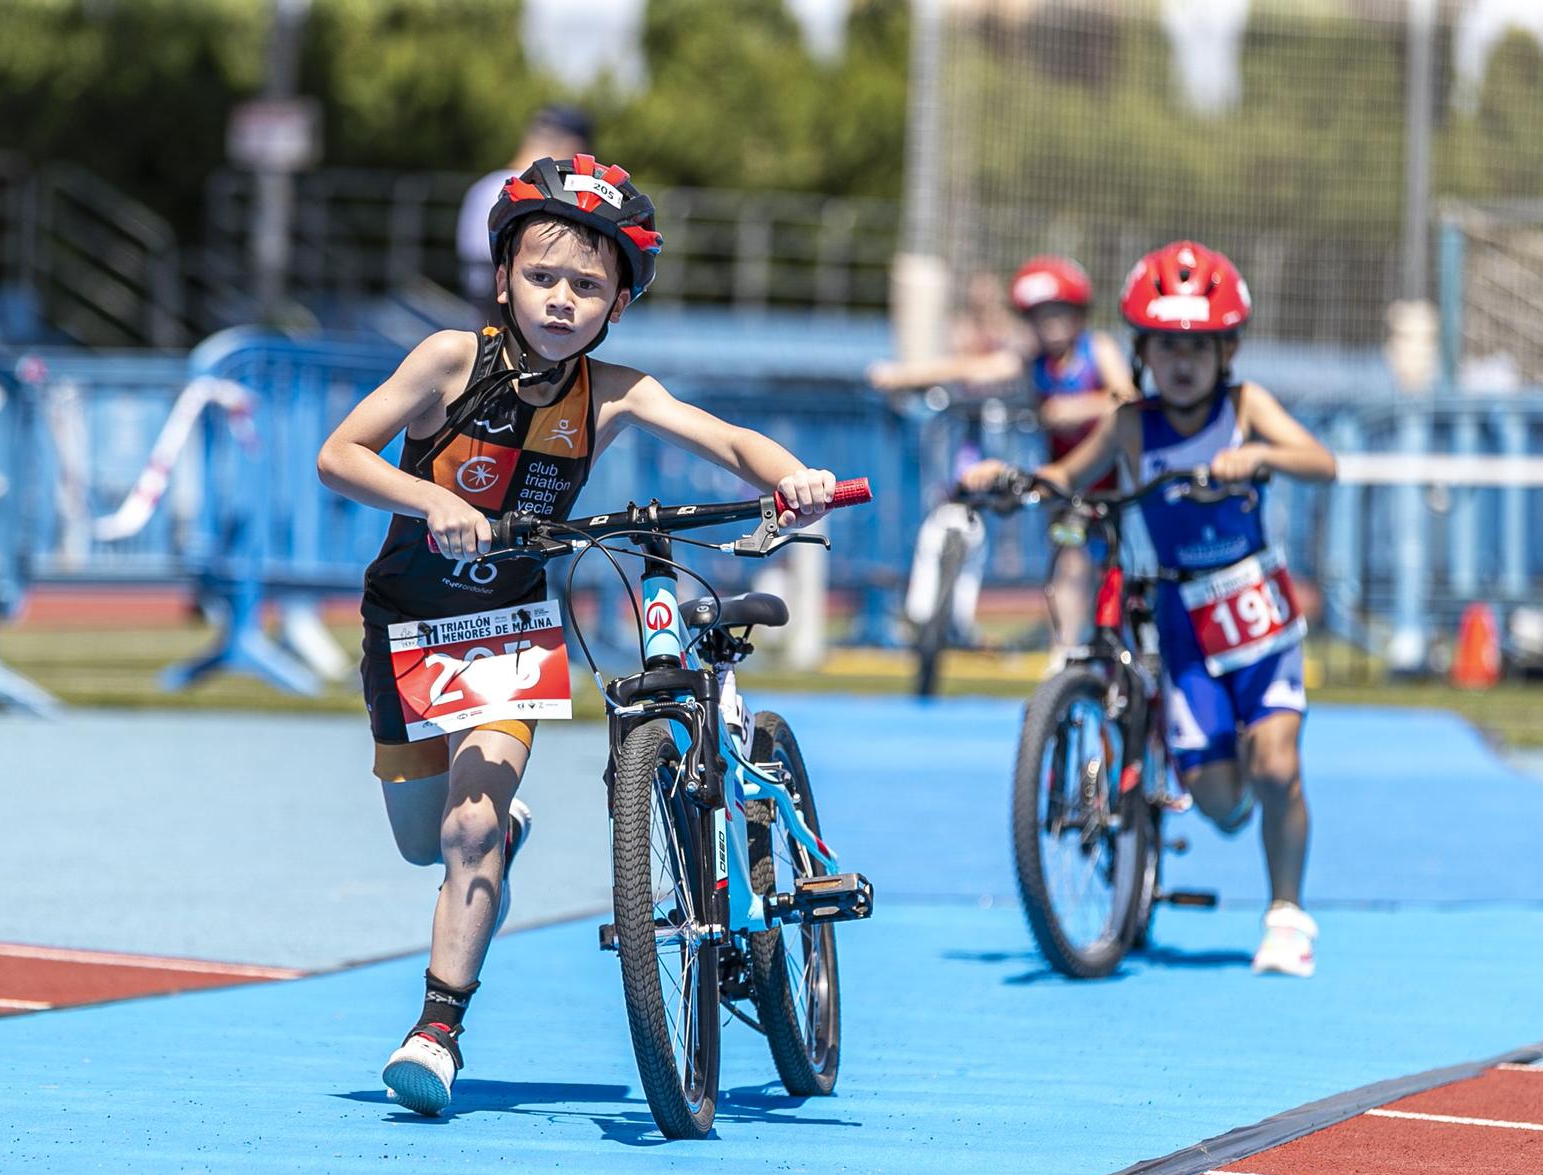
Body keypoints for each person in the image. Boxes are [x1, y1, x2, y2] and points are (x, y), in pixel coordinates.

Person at [318, 157, 840, 1116]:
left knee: (467, 825)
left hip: (509, 628)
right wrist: (432, 496)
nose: (563, 299)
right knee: (422, 842)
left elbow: (721, 438)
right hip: (408, 621)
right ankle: (493, 842)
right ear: (505, 272)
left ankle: (437, 1030)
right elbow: (339, 453)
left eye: (589, 285)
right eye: (545, 276)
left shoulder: (611, 392)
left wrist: (792, 474)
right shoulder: (448, 360)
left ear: (618, 302)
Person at [960, 241, 1338, 978]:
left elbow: (1321, 461)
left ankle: (1286, 913)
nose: (1183, 361)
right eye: (1167, 345)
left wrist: (1259, 456)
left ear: (1227, 349)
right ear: (1142, 351)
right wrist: (1009, 479)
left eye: (1200, 345)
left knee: (1276, 764)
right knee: (1225, 803)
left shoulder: (1245, 408)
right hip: (1181, 629)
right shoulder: (1131, 423)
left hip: (1256, 619)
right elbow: (1067, 475)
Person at [871, 257, 1136, 657]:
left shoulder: (1097, 349)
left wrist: (1080, 406)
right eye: (1041, 316)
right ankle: (1061, 657)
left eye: (1060, 314)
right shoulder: (1031, 365)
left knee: (1125, 573)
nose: (1051, 326)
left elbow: (1127, 399)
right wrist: (903, 376)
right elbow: (969, 370)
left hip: (1122, 481)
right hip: (1067, 484)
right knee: (1068, 562)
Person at [455, 105, 592, 318]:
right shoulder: (547, 194)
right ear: (572, 146)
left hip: (483, 314)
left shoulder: (483, 188)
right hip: (521, 317)